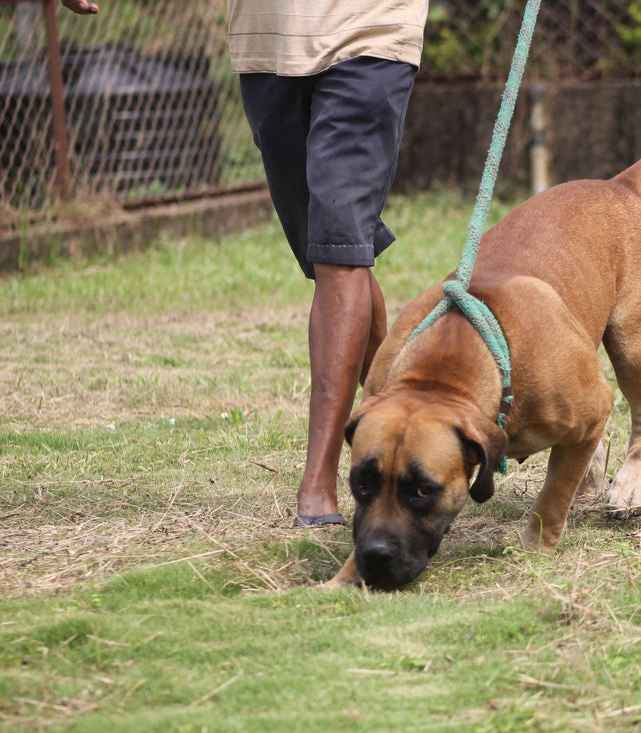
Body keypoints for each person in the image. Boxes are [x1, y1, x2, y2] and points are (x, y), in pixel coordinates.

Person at [63, 0, 429, 528]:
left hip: (370, 34)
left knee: (339, 252)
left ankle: (319, 488)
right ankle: (400, 405)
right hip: (266, 44)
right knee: (334, 254)